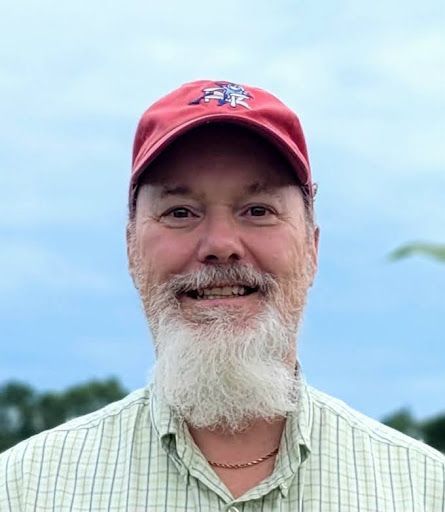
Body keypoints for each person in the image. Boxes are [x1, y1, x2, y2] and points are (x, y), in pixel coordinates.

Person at [1, 80, 443, 511]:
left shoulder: (424, 490)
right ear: (132, 250)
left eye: (257, 211)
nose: (220, 243)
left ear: (312, 248)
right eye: (180, 212)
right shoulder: (23, 490)